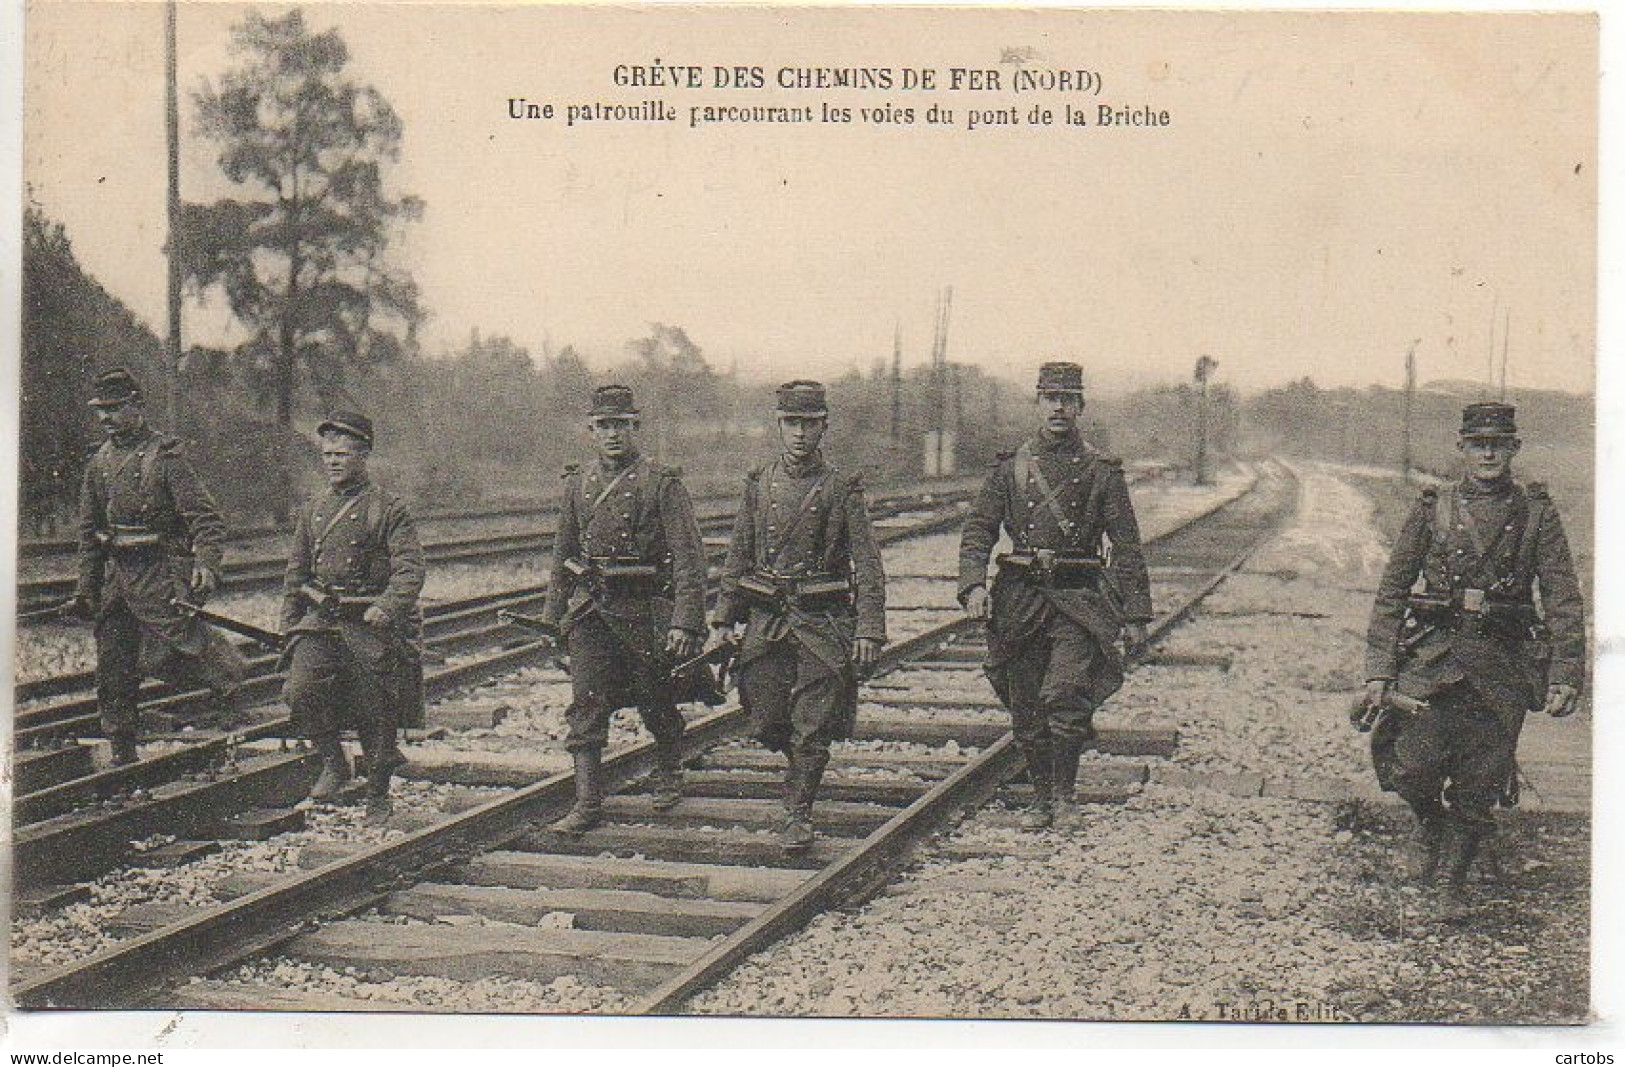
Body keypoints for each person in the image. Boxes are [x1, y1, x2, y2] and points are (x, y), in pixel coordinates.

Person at [1362, 401, 1584, 913]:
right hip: (1432, 659)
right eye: (1478, 443)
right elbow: (1392, 591)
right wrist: (1379, 669)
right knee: (1411, 766)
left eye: (1499, 444)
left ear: (1514, 449)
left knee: (1481, 779)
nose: (1488, 452)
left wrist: (1566, 673)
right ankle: (1430, 824)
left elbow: (1563, 597)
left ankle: (1450, 886)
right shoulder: (1432, 507)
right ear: (1461, 448)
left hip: (1502, 665)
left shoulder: (1536, 514)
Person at [958, 361, 1153, 829]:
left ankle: (1065, 797)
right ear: (1038, 403)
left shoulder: (1102, 472)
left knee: (1065, 695)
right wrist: (972, 585)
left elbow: (1126, 545)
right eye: (1051, 398)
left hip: (1079, 597)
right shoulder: (1009, 468)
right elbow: (979, 529)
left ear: (1081, 407)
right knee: (1025, 705)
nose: (1059, 408)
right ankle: (1041, 798)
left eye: (1068, 399)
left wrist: (1135, 613)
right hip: (1019, 598)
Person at [711, 380, 887, 852]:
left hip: (821, 620)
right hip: (768, 617)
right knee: (766, 718)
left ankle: (798, 811)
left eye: (810, 424)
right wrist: (724, 618)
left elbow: (867, 563)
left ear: (824, 427)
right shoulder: (758, 483)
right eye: (792, 423)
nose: (800, 433)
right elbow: (738, 555)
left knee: (812, 721)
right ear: (779, 426)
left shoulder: (841, 488)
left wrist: (869, 628)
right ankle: (800, 766)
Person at [543, 385, 709, 836]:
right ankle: (587, 802)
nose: (612, 434)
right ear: (591, 430)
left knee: (655, 699)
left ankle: (670, 769)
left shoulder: (662, 484)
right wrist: (552, 618)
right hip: (592, 612)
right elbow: (562, 557)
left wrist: (686, 621)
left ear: (636, 426)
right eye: (603, 426)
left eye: (621, 425)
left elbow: (690, 558)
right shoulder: (578, 484)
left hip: (645, 611)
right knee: (586, 704)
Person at [70, 367, 247, 766]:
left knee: (179, 653)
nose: (106, 419)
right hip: (118, 580)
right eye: (101, 411)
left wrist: (206, 563)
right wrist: (86, 588)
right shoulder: (98, 463)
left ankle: (230, 684)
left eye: (115, 409)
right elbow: (89, 532)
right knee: (113, 663)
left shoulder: (165, 458)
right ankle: (121, 748)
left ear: (136, 406)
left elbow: (206, 519)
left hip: (161, 575)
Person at [280, 411, 426, 823]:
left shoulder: (387, 509)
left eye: (342, 454)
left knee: (376, 705)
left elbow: (410, 570)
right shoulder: (315, 510)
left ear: (364, 455)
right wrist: (288, 626)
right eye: (327, 454)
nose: (332, 461)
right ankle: (334, 761)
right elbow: (296, 574)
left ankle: (378, 794)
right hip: (322, 620)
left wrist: (387, 606)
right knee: (299, 691)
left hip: (369, 621)